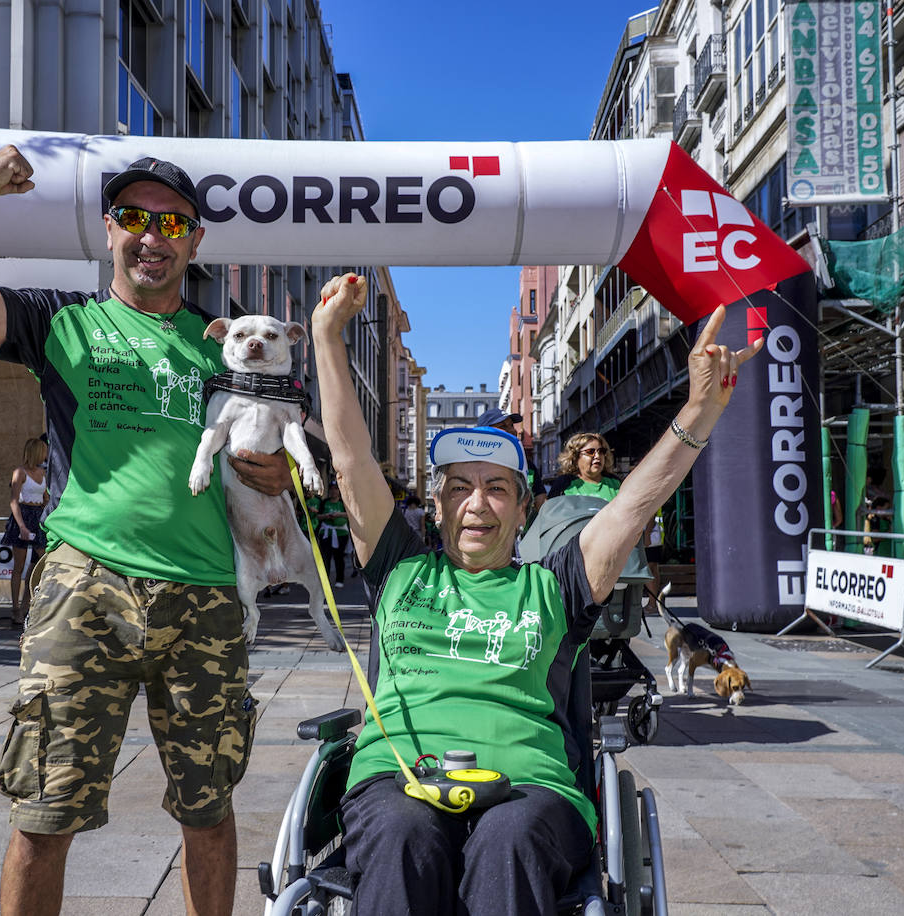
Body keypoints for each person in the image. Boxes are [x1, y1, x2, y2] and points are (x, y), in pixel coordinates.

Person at [0, 145, 292, 916]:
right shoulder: (58, 318)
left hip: (208, 597)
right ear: (109, 230)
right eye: (135, 218)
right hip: (86, 587)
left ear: (195, 240)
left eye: (172, 222)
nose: (154, 236)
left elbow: (276, 442)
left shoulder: (224, 345)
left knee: (208, 811)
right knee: (46, 810)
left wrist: (279, 476)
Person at [311, 272, 760, 915]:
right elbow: (353, 461)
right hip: (400, 777)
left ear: (523, 509)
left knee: (510, 838)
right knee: (403, 832)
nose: (477, 503)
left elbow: (635, 504)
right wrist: (328, 338)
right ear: (436, 505)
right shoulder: (398, 567)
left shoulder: (553, 585)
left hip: (530, 788)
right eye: (460, 486)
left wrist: (699, 410)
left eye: (497, 487)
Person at [2, 436, 49, 628]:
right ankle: (15, 609)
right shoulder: (19, 472)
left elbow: (45, 496)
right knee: (18, 566)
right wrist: (21, 525)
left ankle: (26, 605)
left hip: (38, 515)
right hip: (23, 514)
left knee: (41, 560)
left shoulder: (42, 472)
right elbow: (13, 500)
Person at [476, 407, 549, 510]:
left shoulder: (527, 465)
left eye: (511, 425)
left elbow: (542, 504)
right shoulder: (474, 465)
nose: (512, 430)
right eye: (503, 426)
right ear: (485, 432)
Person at [544, 432, 623, 501]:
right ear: (575, 457)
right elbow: (550, 513)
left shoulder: (615, 483)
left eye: (601, 451)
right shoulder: (564, 483)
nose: (597, 456)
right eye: (590, 452)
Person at [317, 481, 351, 586]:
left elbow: (350, 514)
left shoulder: (343, 503)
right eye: (331, 489)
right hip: (326, 533)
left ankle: (339, 579)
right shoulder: (324, 502)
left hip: (341, 534)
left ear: (339, 491)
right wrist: (326, 516)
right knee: (326, 557)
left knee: (339, 557)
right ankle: (324, 580)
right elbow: (318, 516)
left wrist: (339, 514)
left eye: (336, 489)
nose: (333, 491)